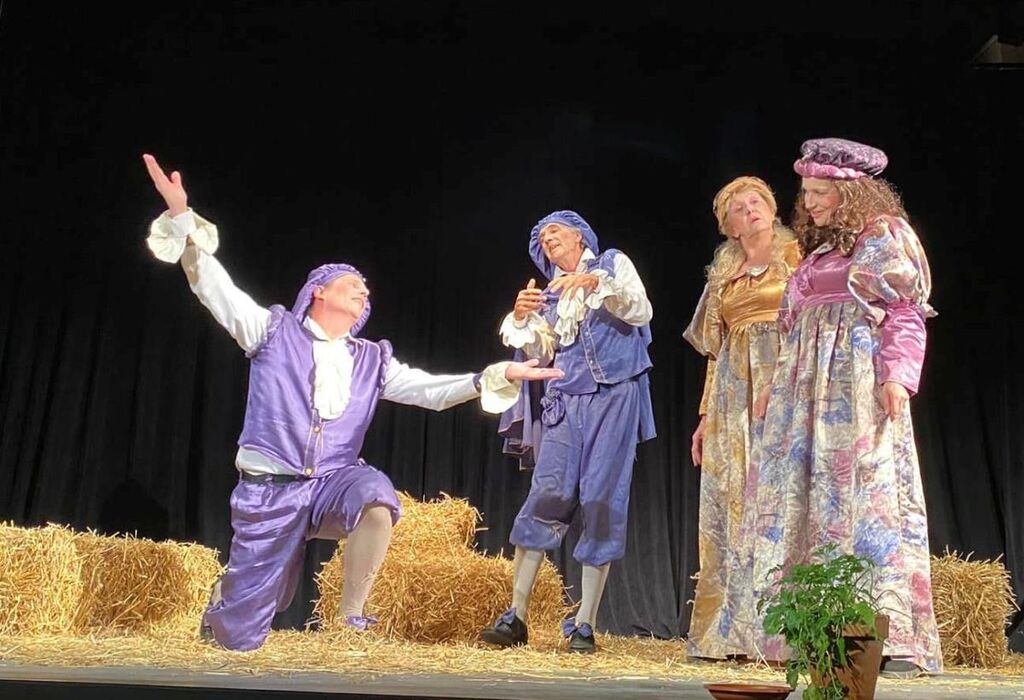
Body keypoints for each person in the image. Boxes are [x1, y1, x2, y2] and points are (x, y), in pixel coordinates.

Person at [141, 154, 563, 651]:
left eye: (365, 290)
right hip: (270, 488)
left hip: (332, 482)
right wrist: (181, 216)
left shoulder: (369, 359)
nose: (363, 292)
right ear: (318, 292)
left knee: (376, 499)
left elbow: (428, 390)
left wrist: (491, 375)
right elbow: (216, 290)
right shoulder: (272, 331)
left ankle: (350, 618)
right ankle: (225, 605)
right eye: (352, 285)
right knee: (246, 625)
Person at [743, 138, 942, 677]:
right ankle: (812, 630)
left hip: (854, 383)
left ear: (850, 193)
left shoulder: (883, 236)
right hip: (803, 390)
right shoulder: (821, 251)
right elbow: (793, 324)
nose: (807, 202)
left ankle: (886, 637)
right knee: (807, 499)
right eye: (806, 192)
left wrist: (897, 375)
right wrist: (775, 382)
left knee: (866, 497)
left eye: (819, 192)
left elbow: (904, 311)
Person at [481, 210, 655, 653]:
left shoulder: (612, 263)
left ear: (580, 236)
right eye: (542, 238)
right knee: (547, 494)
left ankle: (584, 623)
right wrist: (522, 319)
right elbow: (542, 353)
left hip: (614, 394)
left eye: (554, 231)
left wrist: (596, 284)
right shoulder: (550, 294)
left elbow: (641, 310)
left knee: (600, 498)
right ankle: (516, 616)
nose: (547, 239)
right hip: (566, 398)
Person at [683, 176, 800, 659]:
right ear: (728, 226)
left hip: (786, 378)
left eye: (757, 202)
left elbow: (810, 325)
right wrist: (704, 415)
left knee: (780, 496)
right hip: (733, 391)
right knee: (733, 499)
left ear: (772, 210)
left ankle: (785, 631)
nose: (749, 209)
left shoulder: (797, 258)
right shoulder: (723, 275)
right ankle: (731, 633)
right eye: (738, 207)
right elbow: (715, 350)